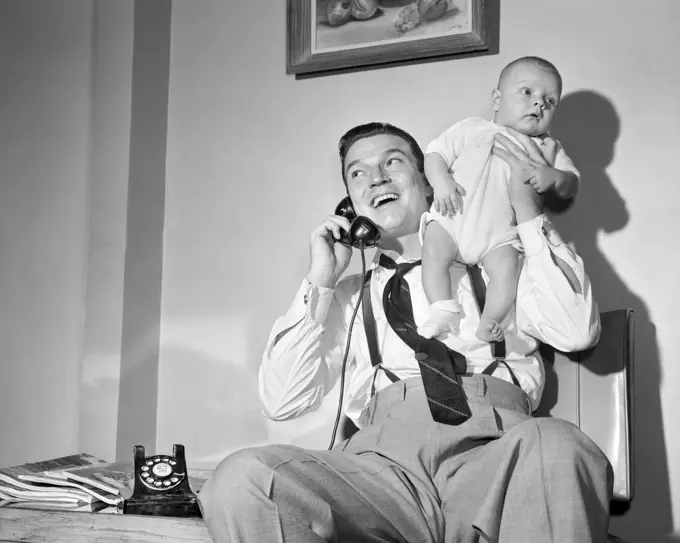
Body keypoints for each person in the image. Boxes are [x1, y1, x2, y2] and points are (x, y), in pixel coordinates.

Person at [198, 121, 613, 543]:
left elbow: (577, 331)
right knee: (245, 478)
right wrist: (321, 279)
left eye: (391, 162)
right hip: (382, 472)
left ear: (429, 182)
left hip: (497, 454)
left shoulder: (504, 261)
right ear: (351, 202)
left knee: (560, 445)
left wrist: (527, 217)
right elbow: (281, 401)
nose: (375, 178)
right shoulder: (347, 293)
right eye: (357, 172)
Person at [419, 56, 581, 343]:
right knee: (433, 249)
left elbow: (571, 183)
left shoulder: (548, 147)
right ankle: (442, 308)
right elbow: (435, 154)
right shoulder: (472, 128)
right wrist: (441, 182)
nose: (539, 103)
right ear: (496, 99)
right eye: (527, 92)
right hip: (454, 216)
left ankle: (490, 320)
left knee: (507, 268)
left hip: (500, 237)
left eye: (550, 100)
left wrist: (553, 176)